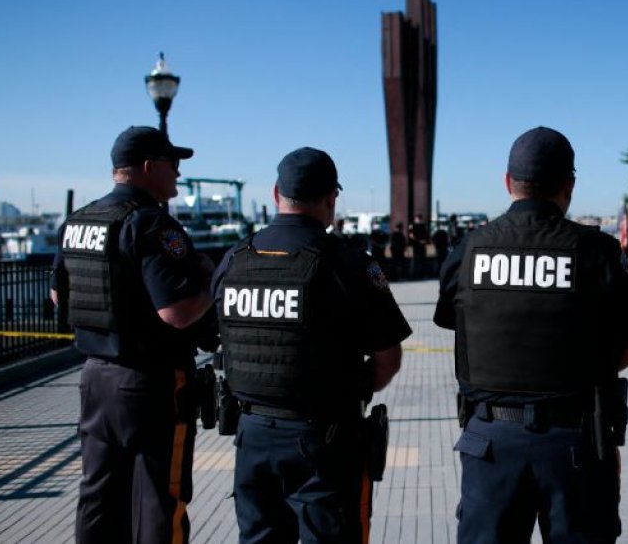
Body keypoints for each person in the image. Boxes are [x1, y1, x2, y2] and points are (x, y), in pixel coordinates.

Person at [434, 126, 628, 544]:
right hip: (575, 443)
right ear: (569, 186)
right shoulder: (597, 251)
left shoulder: (469, 250)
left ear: (507, 182)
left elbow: (452, 320)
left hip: (490, 443)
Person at [212, 147, 412, 544]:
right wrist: (350, 389)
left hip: (251, 435)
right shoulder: (347, 262)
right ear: (331, 200)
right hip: (324, 437)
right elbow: (388, 358)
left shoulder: (235, 259)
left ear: (275, 194)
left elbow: (210, 333)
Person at [51, 126, 215, 544]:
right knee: (160, 499)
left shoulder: (79, 221)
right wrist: (213, 286)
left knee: (99, 495)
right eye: (173, 165)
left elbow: (58, 296)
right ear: (148, 167)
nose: (178, 174)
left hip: (95, 379)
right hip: (150, 383)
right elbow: (176, 312)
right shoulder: (151, 225)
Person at [409, 213, 430, 279]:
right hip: (418, 245)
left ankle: (420, 275)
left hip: (419, 245)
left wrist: (423, 241)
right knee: (418, 260)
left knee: (420, 260)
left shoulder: (418, 226)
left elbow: (412, 236)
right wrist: (421, 241)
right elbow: (411, 236)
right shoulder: (414, 226)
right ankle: (418, 275)